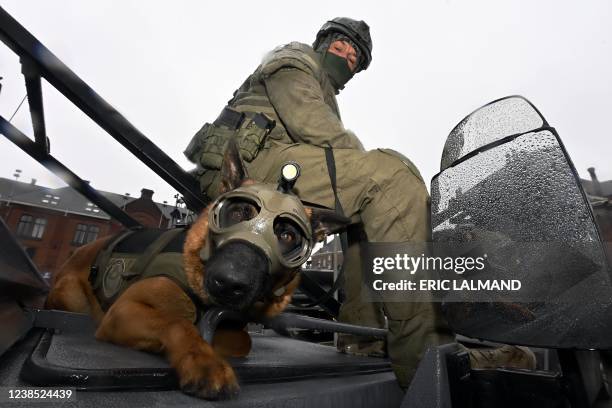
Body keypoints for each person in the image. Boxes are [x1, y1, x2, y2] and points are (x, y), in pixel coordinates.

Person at [184, 17, 453, 389]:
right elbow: (312, 123)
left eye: (354, 56)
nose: (346, 56)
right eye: (340, 46)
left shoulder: (323, 87)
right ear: (322, 43)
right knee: (391, 178)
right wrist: (370, 165)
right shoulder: (295, 59)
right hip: (246, 167)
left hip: (272, 167)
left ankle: (363, 334)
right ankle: (426, 360)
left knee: (367, 209)